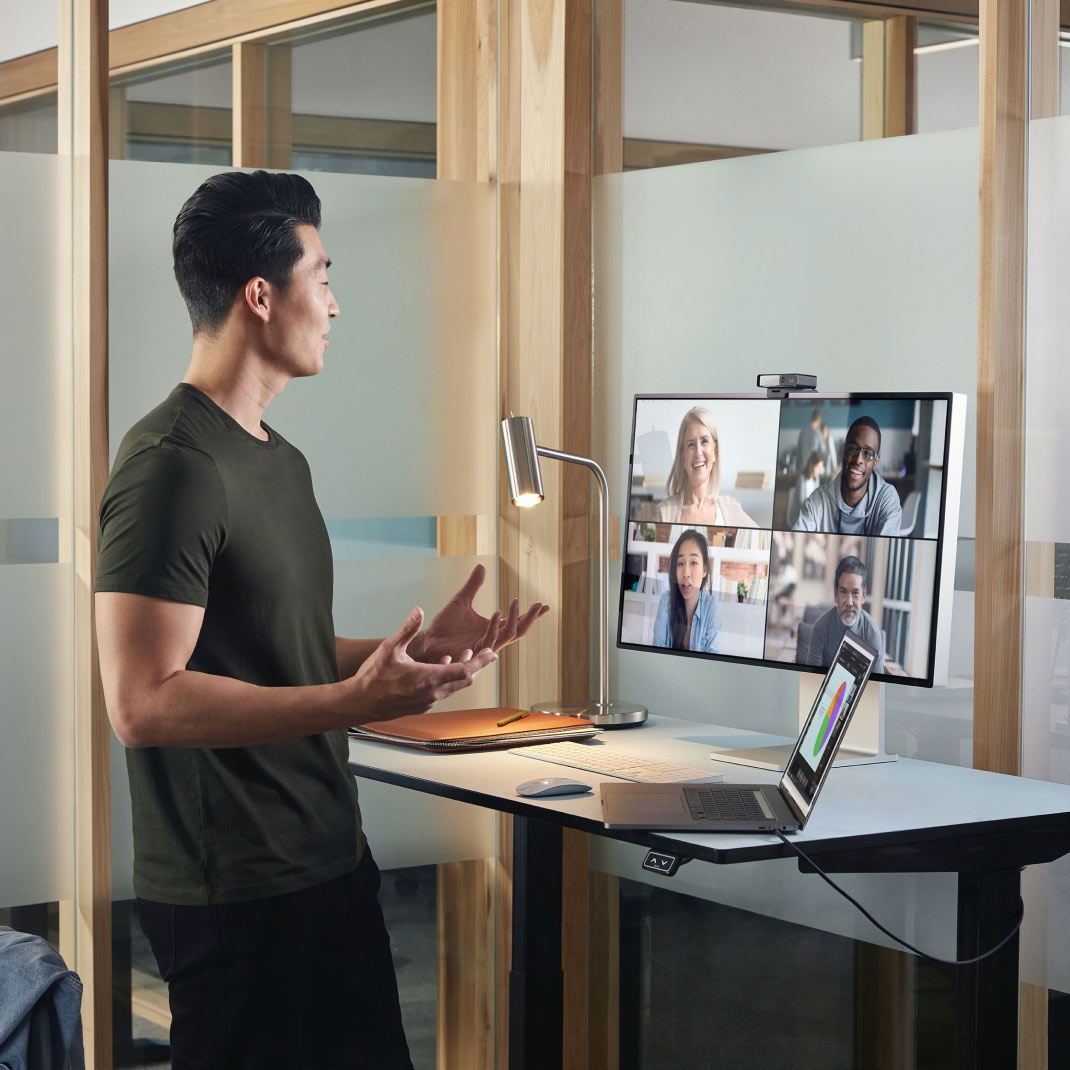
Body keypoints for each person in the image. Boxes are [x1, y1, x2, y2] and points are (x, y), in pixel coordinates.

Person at [94, 171, 548, 1070]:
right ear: (261, 296)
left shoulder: (280, 460)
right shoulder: (168, 467)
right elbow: (142, 702)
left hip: (332, 865)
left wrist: (406, 659)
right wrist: (352, 699)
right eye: (323, 276)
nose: (335, 306)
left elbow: (275, 652)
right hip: (237, 897)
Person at [793, 415, 902, 535]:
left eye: (868, 453)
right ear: (844, 451)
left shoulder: (886, 499)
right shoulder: (818, 501)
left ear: (875, 462)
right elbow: (795, 543)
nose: (858, 460)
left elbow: (884, 552)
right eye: (853, 448)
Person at [653, 406, 757, 526]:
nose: (698, 452)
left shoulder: (730, 508)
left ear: (715, 451)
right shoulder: (663, 514)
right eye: (691, 444)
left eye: (704, 441)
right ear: (682, 457)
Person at [803, 556, 885, 672]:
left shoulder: (872, 633)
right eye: (843, 592)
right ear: (835, 594)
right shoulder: (821, 628)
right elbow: (810, 679)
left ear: (863, 595)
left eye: (855, 593)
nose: (849, 602)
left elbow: (877, 685)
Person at [652, 528, 722, 653]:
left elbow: (712, 661)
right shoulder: (666, 602)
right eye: (680, 564)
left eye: (694, 563)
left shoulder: (710, 606)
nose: (686, 573)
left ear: (705, 570)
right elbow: (657, 654)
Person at [795, 408, 829, 473]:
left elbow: (798, 452)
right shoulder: (818, 433)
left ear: (812, 417)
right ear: (819, 420)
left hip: (801, 469)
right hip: (812, 470)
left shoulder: (802, 431)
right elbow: (824, 452)